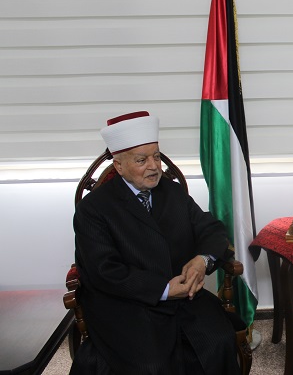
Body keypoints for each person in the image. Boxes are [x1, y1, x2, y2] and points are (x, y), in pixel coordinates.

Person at [71, 111, 243, 375]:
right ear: (119, 166)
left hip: (185, 297)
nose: (154, 167)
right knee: (152, 366)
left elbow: (211, 229)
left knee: (218, 344)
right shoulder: (93, 209)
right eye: (142, 160)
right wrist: (163, 289)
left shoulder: (171, 191)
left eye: (157, 156)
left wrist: (202, 260)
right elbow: (104, 271)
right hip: (128, 303)